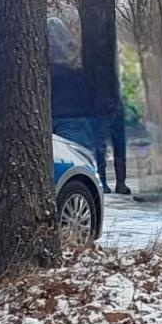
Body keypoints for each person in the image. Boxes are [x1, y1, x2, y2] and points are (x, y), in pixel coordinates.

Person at [47, 17, 129, 194]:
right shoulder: (79, 57)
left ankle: (105, 184)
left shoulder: (44, 62)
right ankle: (108, 184)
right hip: (80, 115)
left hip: (62, 115)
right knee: (78, 165)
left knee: (68, 167)